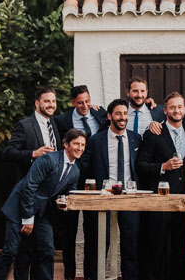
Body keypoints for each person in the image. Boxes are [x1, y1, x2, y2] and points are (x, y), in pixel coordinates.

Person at [0, 129, 87, 280]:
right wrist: (28, 218)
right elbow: (29, 186)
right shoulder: (48, 160)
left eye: (83, 145)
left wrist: (66, 200)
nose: (80, 148)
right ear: (66, 144)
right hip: (19, 208)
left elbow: (70, 192)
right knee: (11, 251)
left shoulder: (75, 170)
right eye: (76, 144)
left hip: (42, 213)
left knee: (47, 251)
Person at [2, 86, 62, 280]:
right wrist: (33, 154)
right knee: (24, 252)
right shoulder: (25, 125)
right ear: (37, 103)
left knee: (44, 250)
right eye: (47, 101)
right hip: (28, 195)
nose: (51, 105)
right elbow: (8, 153)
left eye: (53, 101)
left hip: (47, 198)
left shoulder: (54, 124)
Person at [135, 92, 185, 280]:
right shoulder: (154, 132)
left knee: (179, 246)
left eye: (179, 107)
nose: (176, 110)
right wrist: (163, 167)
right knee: (156, 246)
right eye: (172, 107)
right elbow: (140, 165)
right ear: (165, 110)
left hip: (182, 201)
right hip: (160, 200)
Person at [81, 99, 142, 280]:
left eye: (125, 114)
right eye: (118, 113)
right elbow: (84, 168)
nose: (122, 117)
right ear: (109, 116)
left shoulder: (136, 138)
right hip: (103, 198)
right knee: (98, 245)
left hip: (129, 199)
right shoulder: (95, 141)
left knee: (130, 246)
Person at [52, 85, 106, 280]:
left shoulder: (101, 115)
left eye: (87, 101)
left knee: (93, 231)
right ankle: (69, 275)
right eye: (80, 102)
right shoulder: (61, 121)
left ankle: (91, 275)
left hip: (94, 180)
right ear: (72, 103)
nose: (85, 106)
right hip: (70, 180)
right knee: (69, 232)